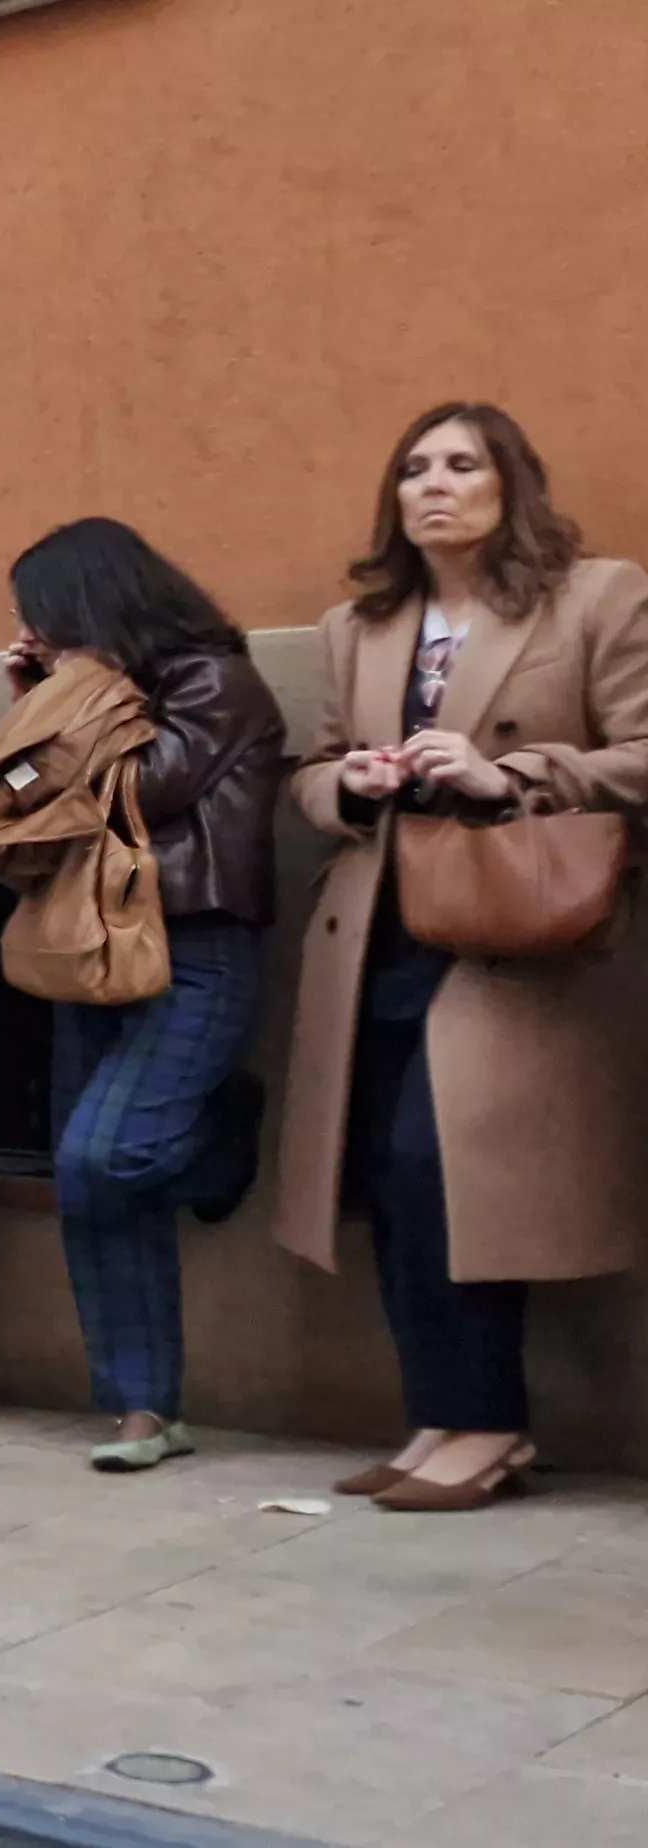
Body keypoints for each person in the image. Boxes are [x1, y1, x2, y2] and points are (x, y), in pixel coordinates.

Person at [271, 404, 648, 1511]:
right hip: (378, 927)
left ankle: (489, 1424)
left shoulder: (598, 596)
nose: (434, 485)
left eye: (462, 464)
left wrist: (515, 773)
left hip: (516, 936)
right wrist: (351, 784)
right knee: (391, 1181)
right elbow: (313, 767)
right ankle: (438, 1415)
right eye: (415, 468)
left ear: (508, 482)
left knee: (441, 1168)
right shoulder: (361, 625)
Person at [0, 520, 284, 1472]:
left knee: (106, 1152)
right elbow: (21, 798)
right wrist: (39, 704)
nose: (29, 633)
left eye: (38, 615)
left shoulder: (216, 684)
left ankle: (217, 1132)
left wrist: (71, 690)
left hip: (193, 949)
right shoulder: (83, 692)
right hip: (87, 950)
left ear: (90, 605)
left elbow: (136, 792)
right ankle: (143, 1409)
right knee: (90, 1182)